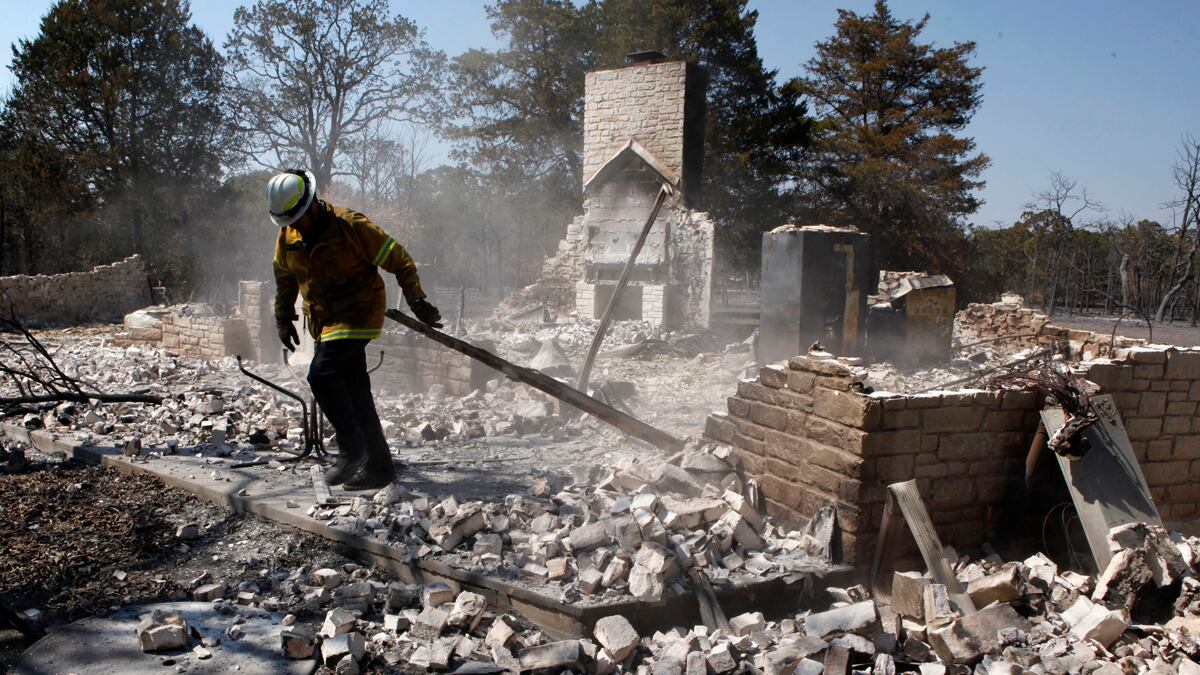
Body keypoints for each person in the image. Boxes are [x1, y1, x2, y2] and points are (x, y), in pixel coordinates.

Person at [267, 169, 442, 490]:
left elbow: (399, 258)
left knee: (321, 374)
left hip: (359, 311)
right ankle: (379, 467)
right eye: (287, 222)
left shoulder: (350, 226)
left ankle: (351, 449)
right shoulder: (288, 236)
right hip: (324, 321)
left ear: (312, 204)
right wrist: (282, 317)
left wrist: (417, 301)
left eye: (298, 219)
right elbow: (284, 278)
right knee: (356, 391)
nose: (293, 226)